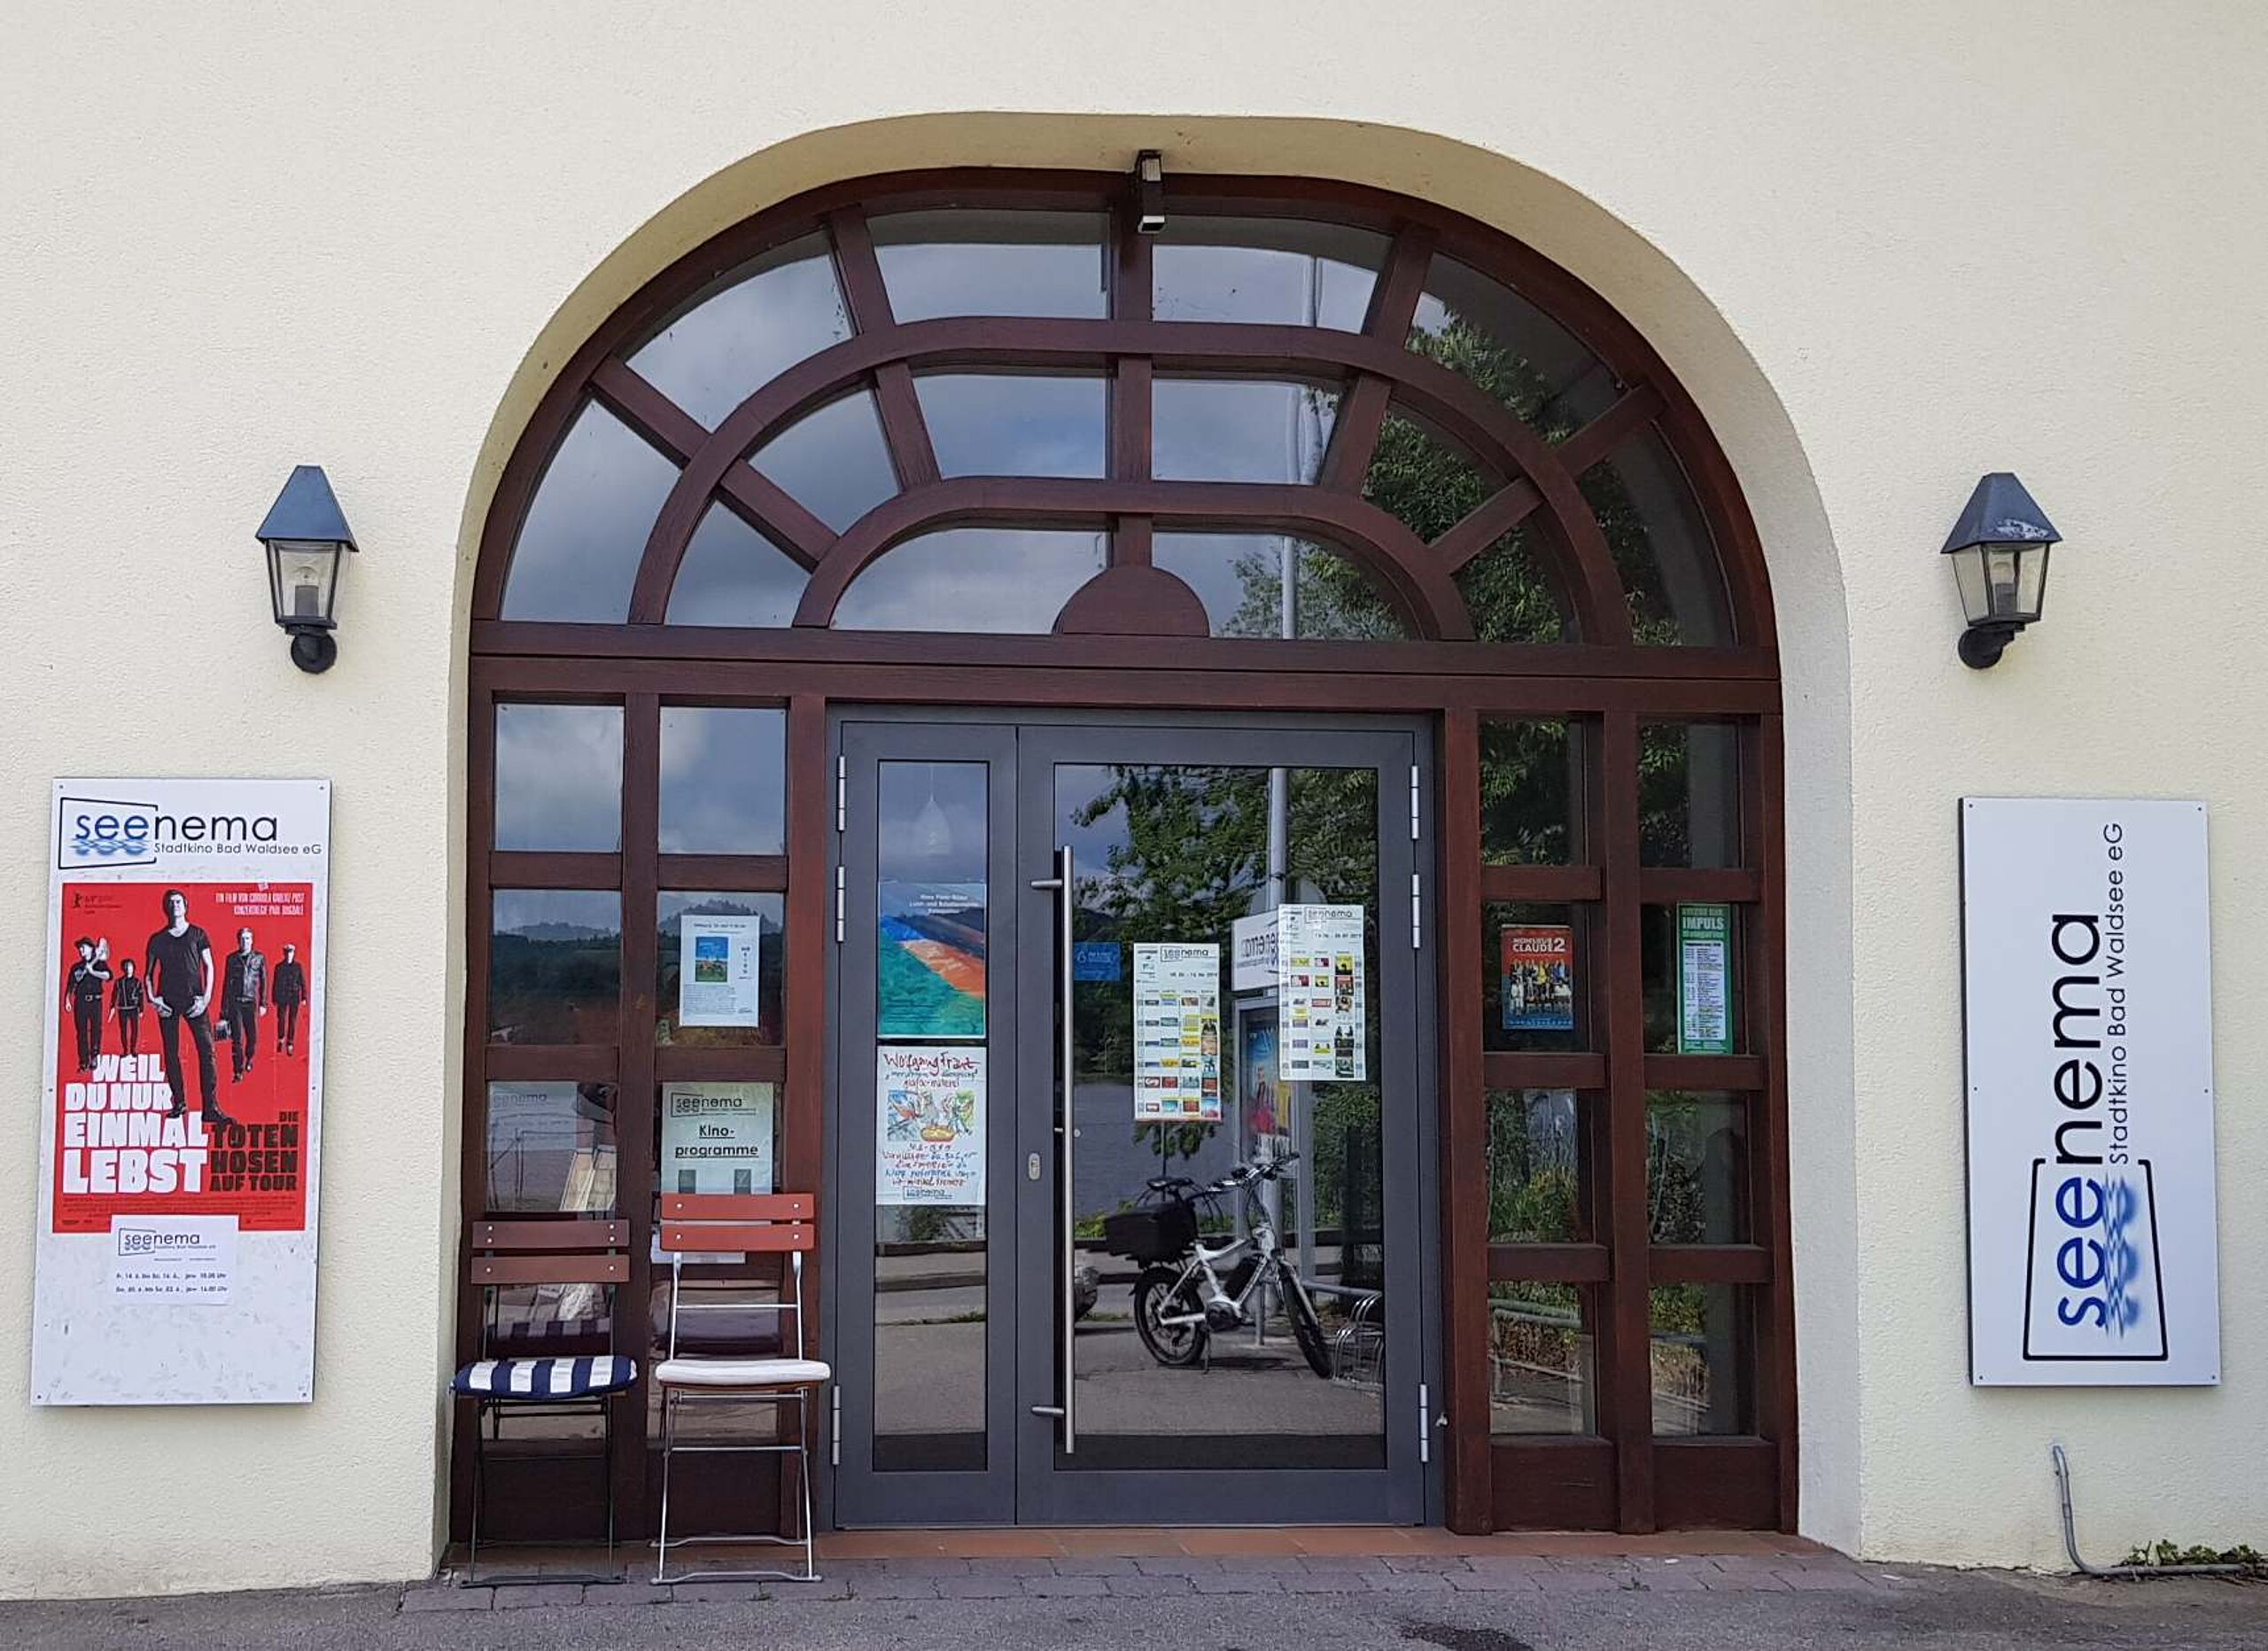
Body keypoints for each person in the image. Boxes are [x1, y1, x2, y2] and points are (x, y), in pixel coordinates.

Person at [146, 889, 234, 1130]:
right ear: (167, 907)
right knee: (172, 1053)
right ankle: (180, 1104)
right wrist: (154, 1000)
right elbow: (148, 975)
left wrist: (205, 999)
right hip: (168, 1003)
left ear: (186, 906)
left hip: (195, 1001)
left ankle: (211, 1108)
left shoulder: (198, 934)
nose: (175, 905)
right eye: (171, 902)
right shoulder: (158, 939)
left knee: (207, 1051)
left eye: (179, 902)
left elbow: (210, 967)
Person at [221, 927, 268, 1082]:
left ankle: (249, 1058)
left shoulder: (259, 958)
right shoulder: (232, 959)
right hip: (235, 1003)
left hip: (251, 1003)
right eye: (242, 939)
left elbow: (264, 981)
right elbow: (226, 984)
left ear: (252, 940)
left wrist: (263, 1003)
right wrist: (224, 1009)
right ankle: (238, 1071)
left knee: (252, 1037)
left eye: (247, 938)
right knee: (237, 1039)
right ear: (238, 941)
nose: (245, 942)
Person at [66, 938, 112, 1072]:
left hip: (96, 1002)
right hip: (80, 1002)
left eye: (83, 947)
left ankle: (94, 1057)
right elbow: (71, 984)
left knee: (96, 1030)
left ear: (92, 948)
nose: (81, 950)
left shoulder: (99, 964)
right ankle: (83, 1061)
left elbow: (108, 976)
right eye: (79, 948)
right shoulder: (76, 967)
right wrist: (67, 999)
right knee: (81, 1032)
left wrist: (93, 972)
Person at [272, 942, 307, 1057]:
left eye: (290, 953)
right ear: (284, 954)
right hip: (282, 996)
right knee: (281, 1019)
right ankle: (281, 1039)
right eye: (287, 953)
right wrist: (274, 997)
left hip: (294, 997)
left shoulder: (298, 967)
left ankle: (290, 1043)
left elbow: (302, 983)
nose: (289, 955)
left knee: (292, 1020)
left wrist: (304, 997)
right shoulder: (279, 967)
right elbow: (275, 983)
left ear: (293, 954)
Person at [111, 958, 146, 1057]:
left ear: (133, 968)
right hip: (122, 1009)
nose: (128, 968)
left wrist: (141, 1009)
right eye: (126, 966)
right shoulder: (119, 982)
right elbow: (115, 995)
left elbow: (141, 996)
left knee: (134, 1030)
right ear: (123, 968)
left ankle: (133, 1050)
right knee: (123, 1030)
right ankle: (125, 1050)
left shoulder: (137, 982)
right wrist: (113, 1006)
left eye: (130, 966)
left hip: (134, 1009)